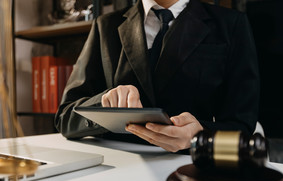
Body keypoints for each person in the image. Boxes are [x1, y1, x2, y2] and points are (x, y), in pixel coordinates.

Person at [54, 0, 260, 153]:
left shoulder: (231, 24)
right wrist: (104, 102)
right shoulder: (105, 26)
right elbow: (65, 117)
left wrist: (201, 135)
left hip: (191, 167)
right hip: (116, 168)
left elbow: (241, 125)